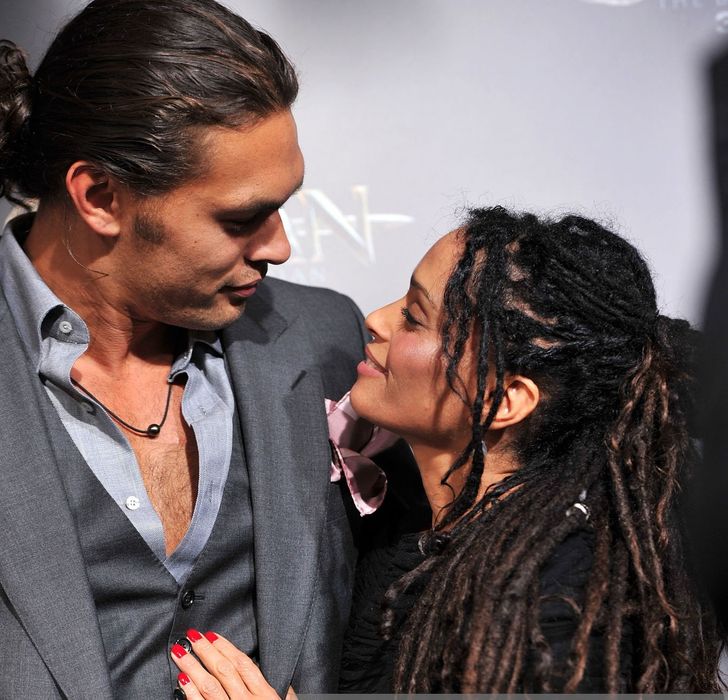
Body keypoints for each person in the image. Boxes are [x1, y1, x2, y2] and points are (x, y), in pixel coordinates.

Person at [168, 206, 721, 696]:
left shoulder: (557, 602)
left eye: (414, 316)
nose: (376, 320)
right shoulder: (414, 531)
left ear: (504, 399)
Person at [0, 1, 373, 697]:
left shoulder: (326, 338)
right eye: (241, 219)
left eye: (283, 205)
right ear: (100, 195)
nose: (281, 248)